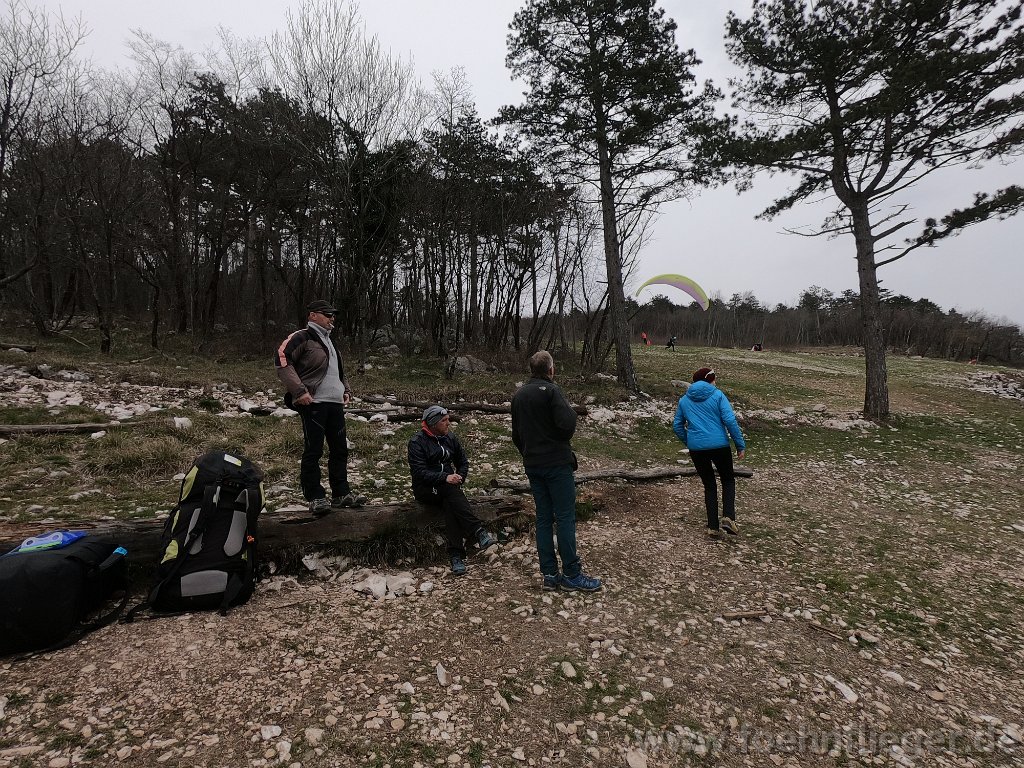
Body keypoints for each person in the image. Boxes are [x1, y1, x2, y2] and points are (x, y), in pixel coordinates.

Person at [511, 351, 601, 592]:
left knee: (543, 518)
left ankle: (549, 574)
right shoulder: (551, 391)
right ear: (551, 369)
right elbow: (567, 425)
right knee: (564, 517)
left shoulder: (519, 395)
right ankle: (572, 573)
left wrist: (528, 453)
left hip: (533, 464)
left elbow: (516, 435)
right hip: (556, 464)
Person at [275, 299, 366, 515]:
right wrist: (299, 391)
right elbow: (282, 359)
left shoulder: (330, 342)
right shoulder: (302, 337)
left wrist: (346, 390)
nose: (331, 318)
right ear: (313, 315)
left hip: (335, 404)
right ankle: (315, 497)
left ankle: (341, 494)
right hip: (314, 403)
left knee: (340, 450)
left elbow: (337, 371)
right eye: (327, 314)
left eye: (333, 315)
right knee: (314, 450)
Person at [408, 405, 497, 576]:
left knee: (450, 504)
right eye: (444, 420)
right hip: (425, 489)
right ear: (433, 423)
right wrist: (445, 477)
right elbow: (419, 472)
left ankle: (456, 556)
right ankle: (477, 531)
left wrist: (460, 476)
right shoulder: (417, 442)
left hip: (448, 489)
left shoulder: (450, 438)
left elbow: (462, 462)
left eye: (448, 419)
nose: (448, 423)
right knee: (450, 492)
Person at [673, 367, 746, 539]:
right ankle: (728, 517)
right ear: (709, 380)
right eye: (714, 379)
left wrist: (690, 442)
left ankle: (713, 526)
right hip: (720, 445)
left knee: (709, 485)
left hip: (697, 449)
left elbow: (677, 426)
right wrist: (739, 445)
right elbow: (729, 420)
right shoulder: (718, 395)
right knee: (727, 479)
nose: (715, 382)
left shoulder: (684, 400)